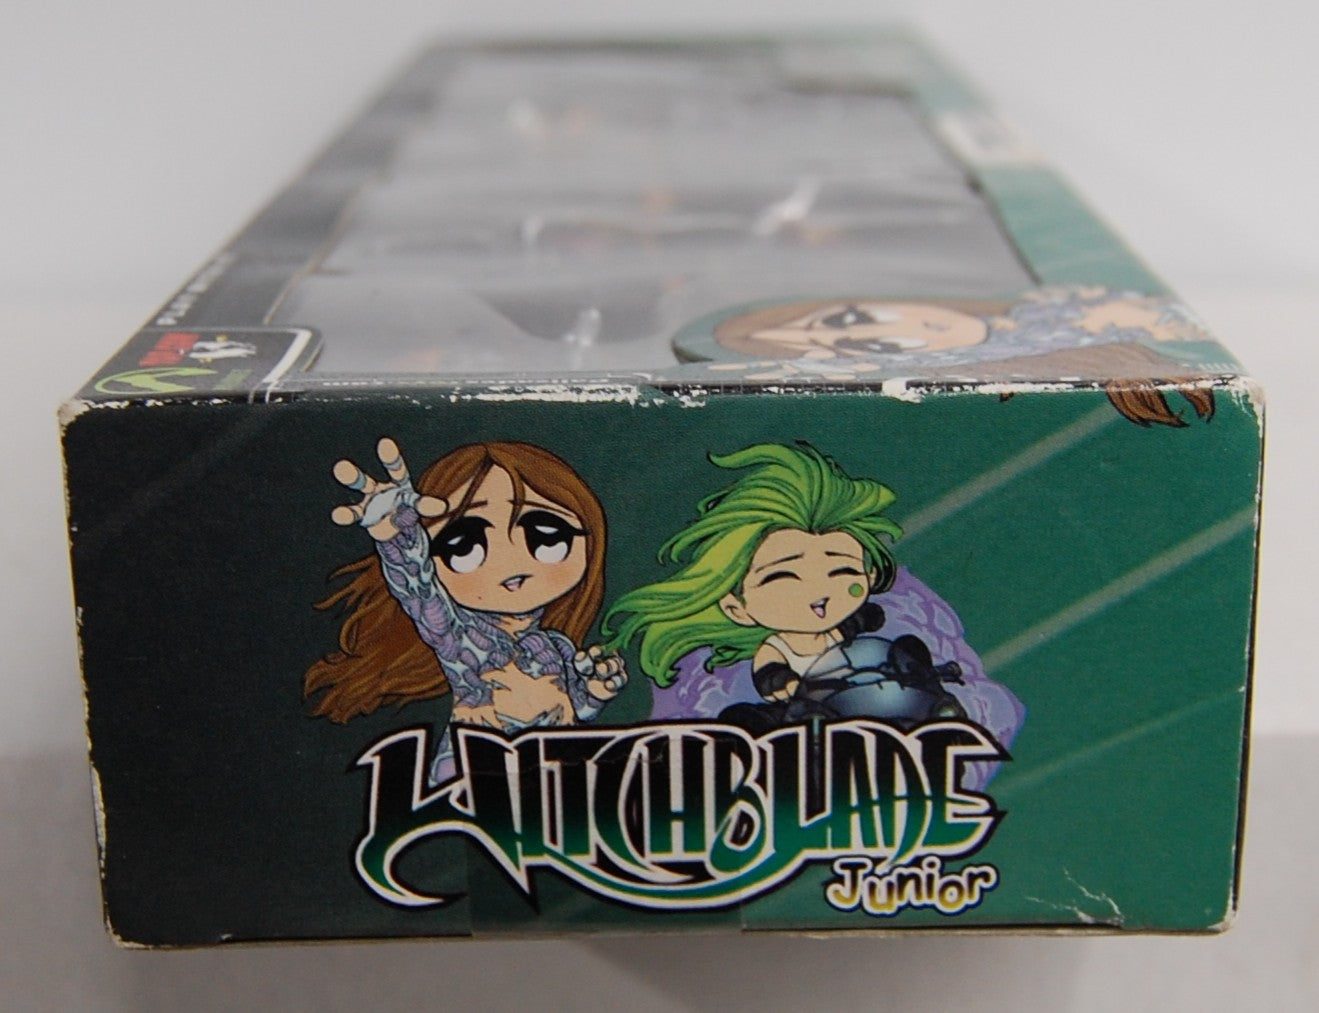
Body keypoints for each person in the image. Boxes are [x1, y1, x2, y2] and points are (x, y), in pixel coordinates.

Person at [306, 437, 625, 783]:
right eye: (465, 545)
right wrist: (395, 535)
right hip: (468, 779)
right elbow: (420, 593)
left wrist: (596, 692)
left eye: (545, 535)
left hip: (552, 785)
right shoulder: (462, 638)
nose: (511, 560)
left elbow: (576, 711)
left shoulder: (556, 647)